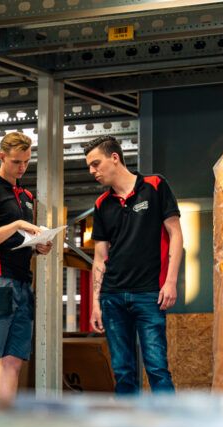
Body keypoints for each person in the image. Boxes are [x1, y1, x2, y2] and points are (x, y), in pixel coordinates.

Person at [84, 135, 183, 394]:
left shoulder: (155, 185)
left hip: (149, 294)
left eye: (96, 164)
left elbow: (176, 234)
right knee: (123, 373)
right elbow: (100, 256)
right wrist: (95, 303)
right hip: (112, 297)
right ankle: (129, 422)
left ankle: (167, 421)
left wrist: (170, 281)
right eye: (90, 166)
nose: (92, 171)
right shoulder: (101, 204)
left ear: (115, 158)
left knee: (157, 368)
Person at [0, 132, 51, 401]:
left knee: (14, 359)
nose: (22, 167)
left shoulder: (25, 195)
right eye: (16, 161)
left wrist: (37, 246)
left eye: (26, 162)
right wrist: (16, 224)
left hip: (22, 282)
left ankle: (5, 422)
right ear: (2, 156)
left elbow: (16, 240)